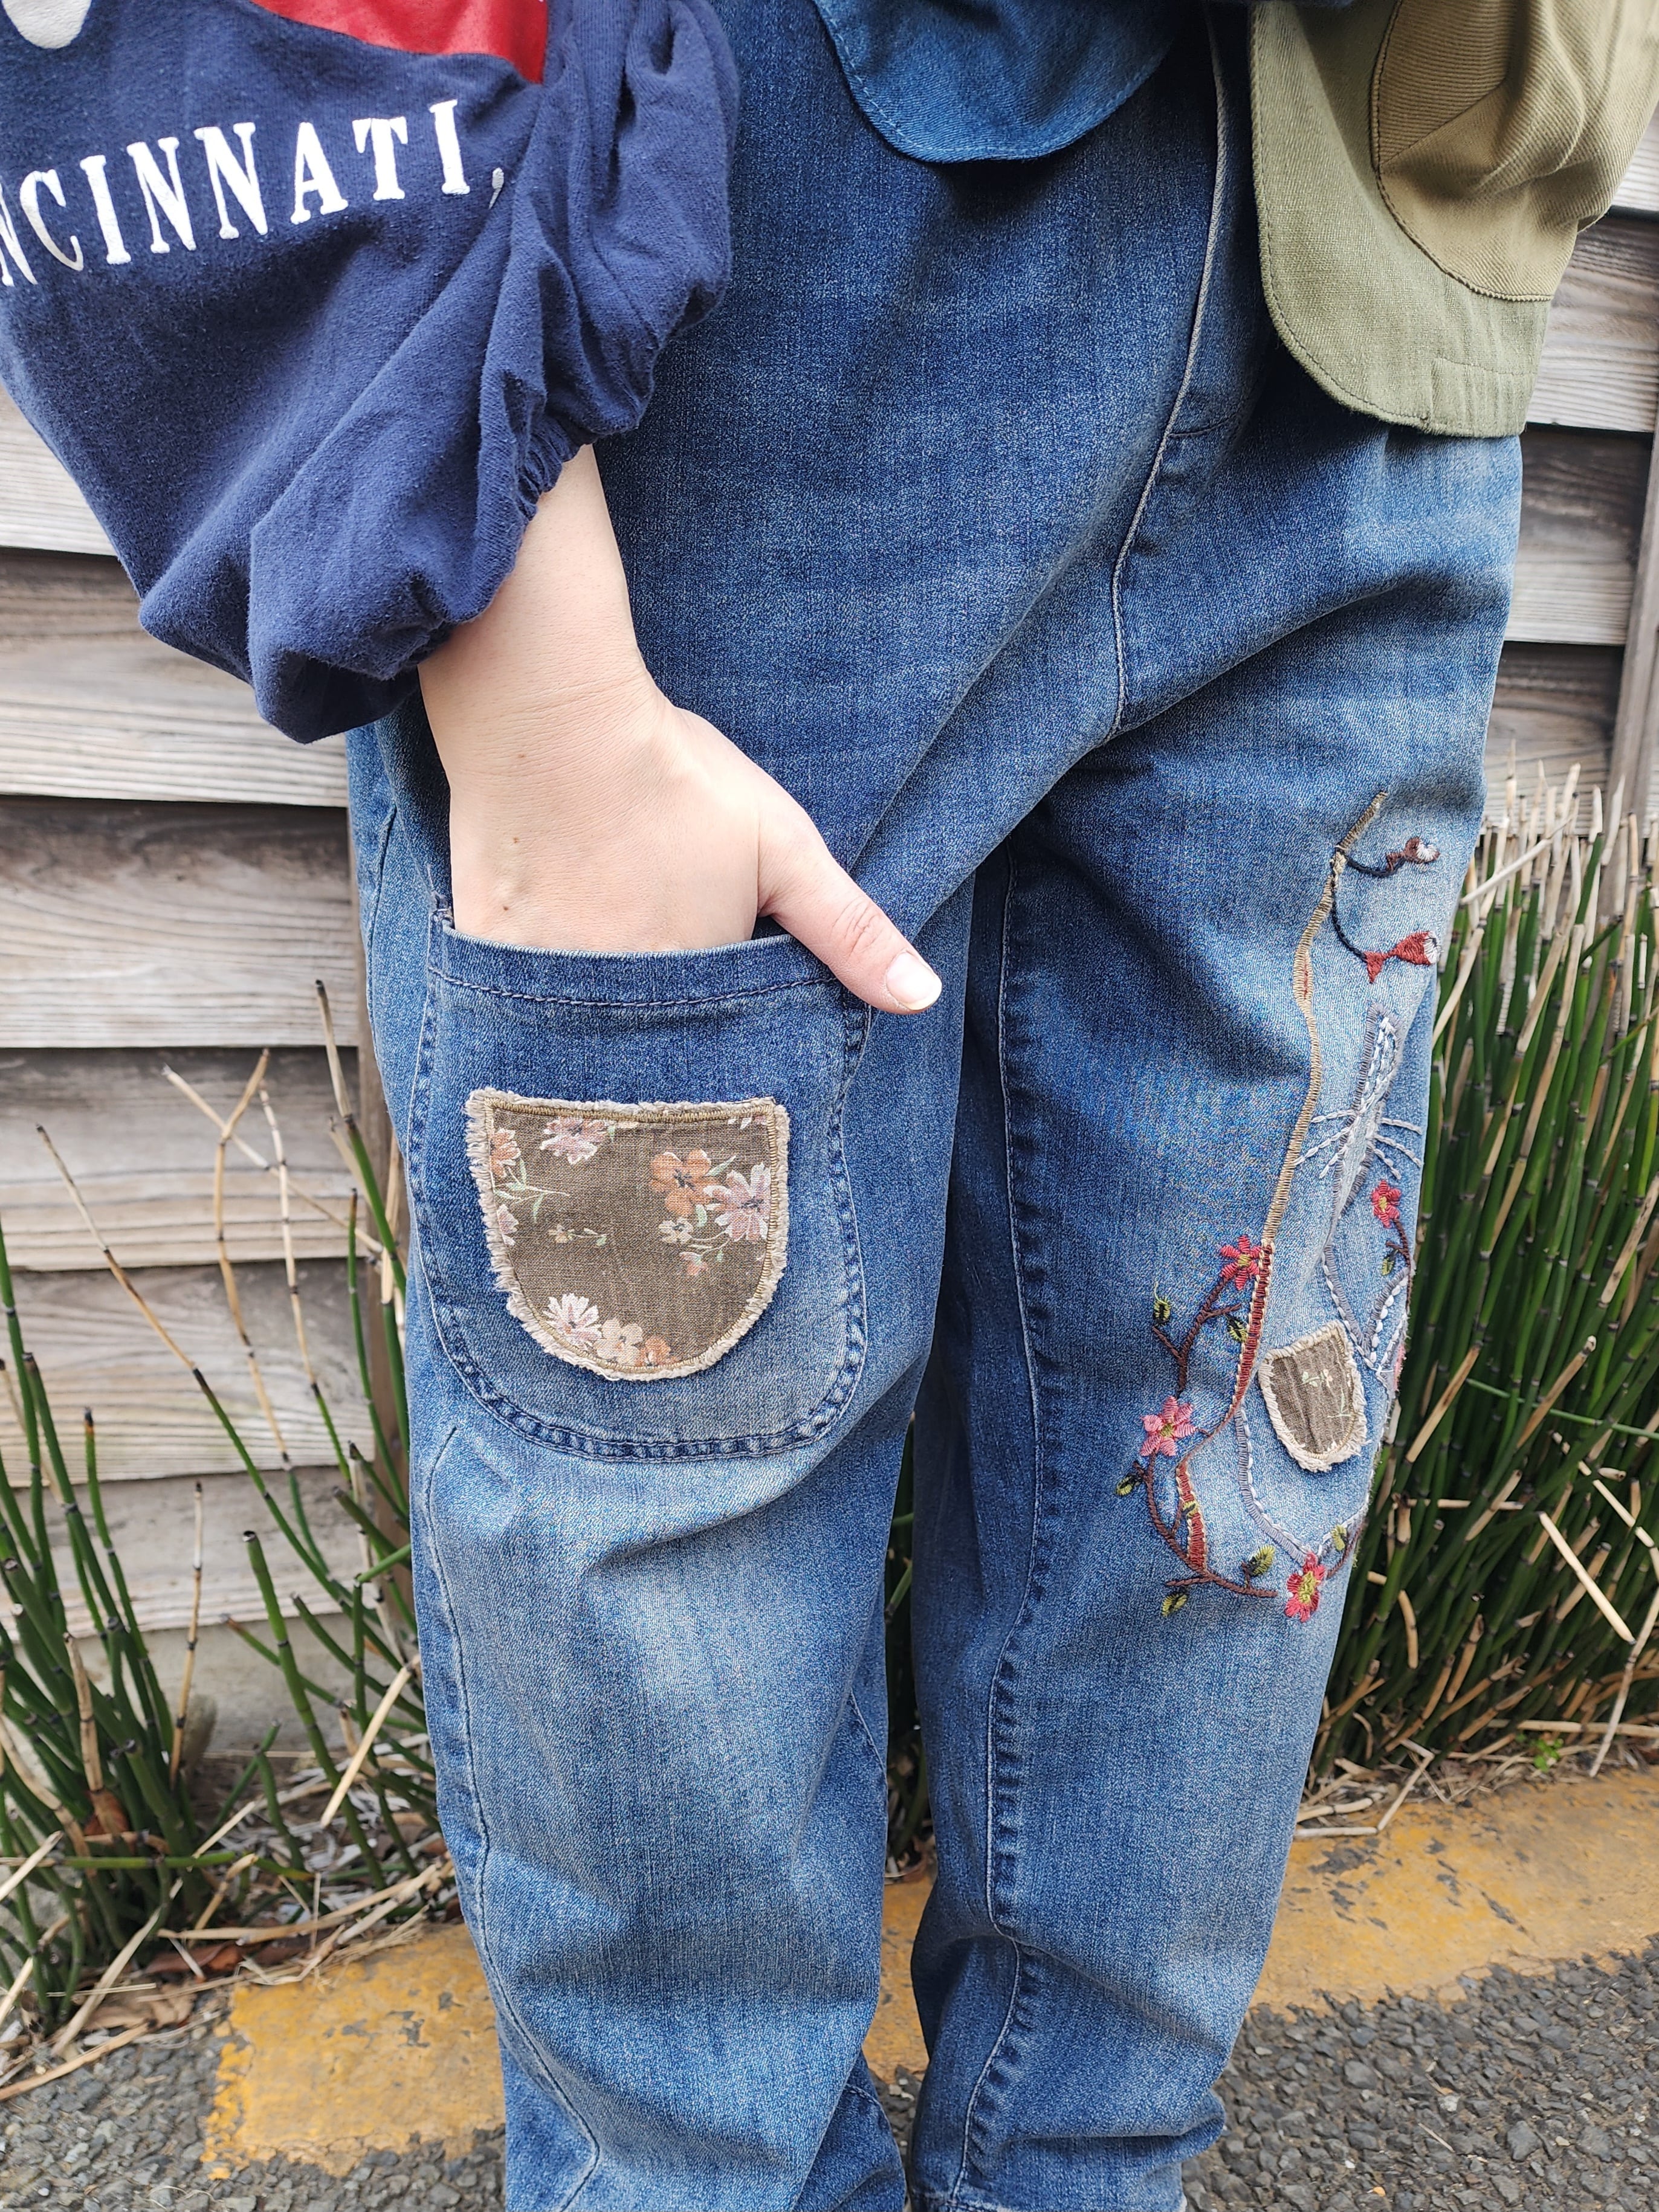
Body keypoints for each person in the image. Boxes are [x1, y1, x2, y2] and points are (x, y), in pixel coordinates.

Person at [2, 2, 1654, 2205]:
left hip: (1384, 263)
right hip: (736, 228)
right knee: (665, 1489)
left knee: (1230, 1455)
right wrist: (541, 681)